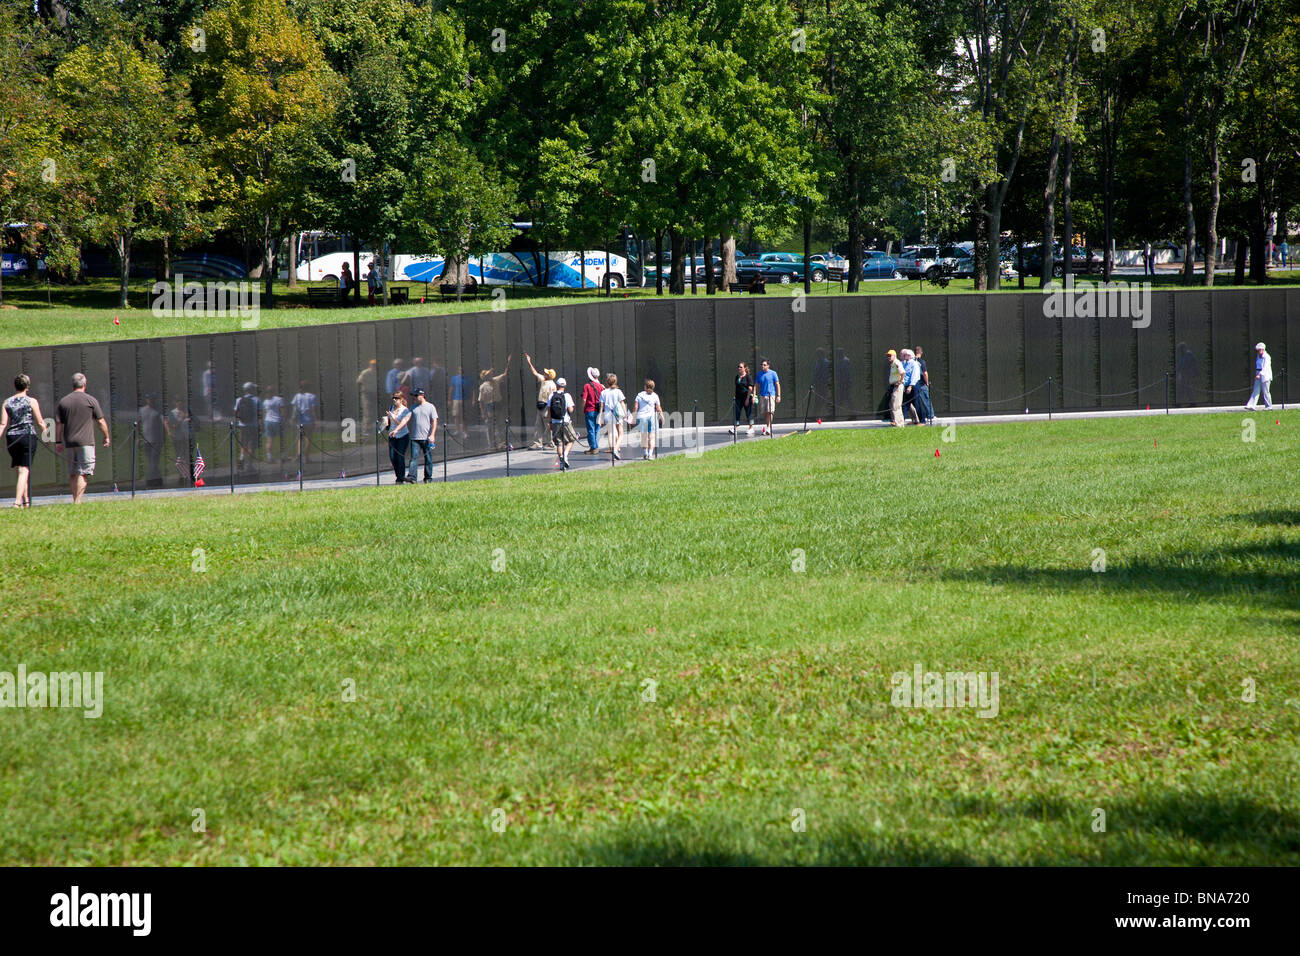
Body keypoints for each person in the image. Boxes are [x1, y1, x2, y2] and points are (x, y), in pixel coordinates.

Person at [55, 372, 110, 504]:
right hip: (86, 442)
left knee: (73, 473)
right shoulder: (90, 400)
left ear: (73, 384)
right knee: (83, 472)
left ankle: (75, 500)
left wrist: (58, 441)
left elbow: (58, 424)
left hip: (69, 442)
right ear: (85, 384)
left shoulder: (64, 401)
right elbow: (101, 421)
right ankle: (78, 502)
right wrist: (106, 436)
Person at [1, 373, 46, 508]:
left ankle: (26, 502)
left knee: (20, 469)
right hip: (26, 436)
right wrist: (47, 436)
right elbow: (40, 422)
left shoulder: (7, 402)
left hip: (12, 437)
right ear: (27, 386)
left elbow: (3, 424)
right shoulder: (31, 401)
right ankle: (17, 502)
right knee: (24, 470)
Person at [477, 355, 511, 449]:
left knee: (500, 425)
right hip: (489, 407)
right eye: (488, 374)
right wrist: (483, 413)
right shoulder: (483, 386)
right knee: (490, 427)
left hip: (498, 405)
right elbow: (480, 401)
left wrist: (508, 363)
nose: (491, 375)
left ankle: (501, 442)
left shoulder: (495, 380)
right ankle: (491, 444)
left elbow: (504, 374)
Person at [524, 352, 557, 449]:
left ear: (549, 376)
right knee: (538, 425)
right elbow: (535, 372)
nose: (544, 373)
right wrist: (529, 362)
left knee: (548, 426)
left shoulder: (552, 385)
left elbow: (553, 399)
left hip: (547, 407)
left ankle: (550, 443)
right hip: (540, 406)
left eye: (546, 373)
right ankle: (537, 443)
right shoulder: (543, 380)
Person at [406, 388, 439, 482]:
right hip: (415, 438)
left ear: (422, 395)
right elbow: (406, 418)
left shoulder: (430, 407)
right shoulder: (413, 407)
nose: (414, 398)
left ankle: (428, 478)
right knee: (413, 458)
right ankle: (412, 477)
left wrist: (432, 435)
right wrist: (396, 428)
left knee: (428, 458)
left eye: (416, 396)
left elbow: (434, 421)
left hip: (426, 438)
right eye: (414, 396)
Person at [382, 391, 412, 484]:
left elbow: (402, 423)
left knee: (399, 457)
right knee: (392, 457)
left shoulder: (405, 410)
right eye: (393, 398)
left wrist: (392, 417)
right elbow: (390, 421)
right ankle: (399, 475)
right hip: (392, 435)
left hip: (402, 436)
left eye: (397, 398)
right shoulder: (391, 408)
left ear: (401, 399)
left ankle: (400, 478)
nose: (394, 400)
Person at [137, 392, 164, 488]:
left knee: (153, 461)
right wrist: (138, 438)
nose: (150, 400)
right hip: (146, 440)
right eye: (148, 398)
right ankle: (158, 479)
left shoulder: (158, 411)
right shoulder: (142, 410)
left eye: (152, 399)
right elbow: (138, 424)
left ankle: (150, 480)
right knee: (151, 462)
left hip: (156, 440)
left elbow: (163, 423)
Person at [549, 377, 577, 470]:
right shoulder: (567, 396)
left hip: (555, 422)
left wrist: (550, 422)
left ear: (556, 385)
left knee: (559, 443)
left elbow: (549, 411)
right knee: (572, 439)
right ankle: (565, 455)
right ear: (565, 386)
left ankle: (561, 463)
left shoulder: (551, 395)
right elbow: (570, 410)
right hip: (565, 421)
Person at [634, 379, 664, 459]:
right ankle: (650, 454)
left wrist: (634, 416)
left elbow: (636, 407)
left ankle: (645, 453)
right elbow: (658, 407)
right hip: (652, 417)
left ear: (645, 387)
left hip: (642, 417)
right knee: (651, 436)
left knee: (644, 436)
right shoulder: (655, 396)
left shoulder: (639, 396)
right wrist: (662, 416)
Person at [599, 373, 627, 459]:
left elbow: (601, 406)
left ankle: (612, 450)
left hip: (607, 414)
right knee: (621, 433)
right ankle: (616, 448)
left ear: (607, 382)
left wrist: (600, 417)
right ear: (615, 381)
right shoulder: (618, 391)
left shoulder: (603, 392)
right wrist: (625, 414)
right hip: (617, 414)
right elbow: (622, 403)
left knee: (611, 433)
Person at [290, 380, 318, 463]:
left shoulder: (297, 396)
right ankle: (307, 457)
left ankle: (299, 454)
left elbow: (294, 409)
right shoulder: (312, 396)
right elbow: (313, 410)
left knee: (300, 438)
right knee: (308, 439)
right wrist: (316, 420)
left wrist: (292, 418)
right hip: (309, 420)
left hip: (300, 420)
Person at [1245, 342, 1274, 410]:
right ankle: (1251, 405)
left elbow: (1265, 367)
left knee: (1266, 391)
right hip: (1258, 373)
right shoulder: (1258, 356)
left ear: (1263, 349)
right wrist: (1257, 373)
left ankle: (1269, 406)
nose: (1258, 351)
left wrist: (1259, 374)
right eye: (1257, 350)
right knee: (1256, 390)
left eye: (1259, 350)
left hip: (1265, 375)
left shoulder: (1267, 357)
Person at [581, 367, 604, 453]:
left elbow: (584, 399)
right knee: (597, 429)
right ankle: (596, 446)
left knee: (591, 429)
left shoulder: (587, 386)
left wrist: (583, 408)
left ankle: (593, 447)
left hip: (590, 410)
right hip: (599, 410)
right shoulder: (601, 387)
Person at [755, 358, 780, 436]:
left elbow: (777, 384)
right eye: (762, 365)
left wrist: (778, 395)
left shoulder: (773, 373)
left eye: (764, 365)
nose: (763, 366)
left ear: (768, 366)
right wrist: (754, 395)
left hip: (771, 395)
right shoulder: (759, 374)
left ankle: (769, 427)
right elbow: (756, 385)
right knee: (765, 412)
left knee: (770, 411)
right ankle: (767, 427)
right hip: (763, 395)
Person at [730, 361, 755, 437]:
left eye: (741, 367)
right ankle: (735, 428)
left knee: (748, 412)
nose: (739, 368)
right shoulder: (737, 377)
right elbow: (737, 387)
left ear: (744, 368)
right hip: (738, 398)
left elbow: (750, 388)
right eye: (738, 367)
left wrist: (747, 399)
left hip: (746, 397)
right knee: (737, 412)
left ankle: (751, 428)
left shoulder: (748, 377)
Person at [913, 346, 935, 425]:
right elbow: (925, 373)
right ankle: (930, 416)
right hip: (921, 383)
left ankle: (917, 418)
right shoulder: (921, 361)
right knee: (926, 400)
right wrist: (926, 382)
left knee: (917, 402)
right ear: (921, 352)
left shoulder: (911, 361)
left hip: (914, 384)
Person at [262, 386, 284, 461]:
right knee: (281, 439)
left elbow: (265, 412)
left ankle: (269, 456)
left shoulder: (265, 401)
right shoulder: (279, 399)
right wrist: (285, 420)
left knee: (269, 440)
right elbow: (282, 411)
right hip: (277, 421)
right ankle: (282, 455)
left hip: (267, 421)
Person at [900, 349, 921, 425]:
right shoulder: (905, 364)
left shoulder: (914, 364)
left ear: (910, 356)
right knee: (905, 404)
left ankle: (922, 421)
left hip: (913, 386)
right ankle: (902, 421)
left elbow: (914, 376)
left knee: (916, 403)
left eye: (906, 355)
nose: (904, 356)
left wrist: (910, 386)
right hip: (906, 386)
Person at [449, 365, 470, 440]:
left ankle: (465, 431)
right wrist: (449, 399)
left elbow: (473, 389)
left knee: (464, 416)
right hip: (456, 399)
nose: (461, 371)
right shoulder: (454, 378)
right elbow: (451, 389)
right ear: (458, 371)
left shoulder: (468, 378)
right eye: (460, 370)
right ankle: (457, 430)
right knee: (456, 415)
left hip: (465, 399)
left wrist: (473, 399)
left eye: (462, 370)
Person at [886, 349, 905, 427]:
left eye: (890, 356)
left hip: (898, 386)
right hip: (893, 386)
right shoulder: (892, 364)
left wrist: (900, 381)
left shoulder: (897, 363)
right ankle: (899, 423)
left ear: (894, 356)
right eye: (888, 356)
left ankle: (898, 424)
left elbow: (903, 372)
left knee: (895, 405)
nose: (888, 357)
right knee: (895, 405)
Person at [356, 358, 377, 427]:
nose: (374, 366)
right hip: (367, 394)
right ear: (370, 365)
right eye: (373, 364)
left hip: (374, 393)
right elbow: (359, 381)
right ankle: (366, 429)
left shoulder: (376, 373)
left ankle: (371, 428)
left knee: (373, 411)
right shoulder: (365, 372)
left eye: (375, 365)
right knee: (367, 411)